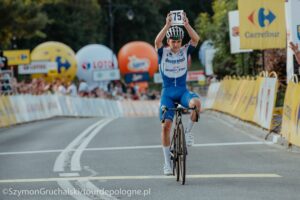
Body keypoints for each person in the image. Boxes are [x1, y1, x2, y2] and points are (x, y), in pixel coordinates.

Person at [154, 12, 201, 175]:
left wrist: (186, 24)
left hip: (182, 91)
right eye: (173, 41)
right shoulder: (163, 53)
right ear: (169, 41)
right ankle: (167, 164)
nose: (175, 44)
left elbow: (195, 39)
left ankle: (187, 133)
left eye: (178, 41)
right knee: (166, 126)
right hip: (167, 93)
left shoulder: (185, 51)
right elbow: (157, 41)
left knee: (197, 104)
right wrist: (167, 25)